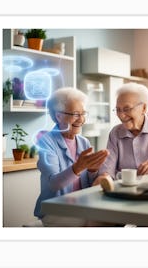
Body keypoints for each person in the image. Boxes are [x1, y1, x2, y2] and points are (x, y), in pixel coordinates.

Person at [34, 87, 109, 226]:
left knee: (112, 222)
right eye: (76, 114)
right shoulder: (46, 141)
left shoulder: (83, 142)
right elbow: (54, 184)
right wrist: (77, 167)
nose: (81, 120)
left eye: (83, 113)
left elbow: (88, 184)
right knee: (98, 224)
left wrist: (93, 171)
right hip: (55, 211)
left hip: (81, 207)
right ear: (59, 116)